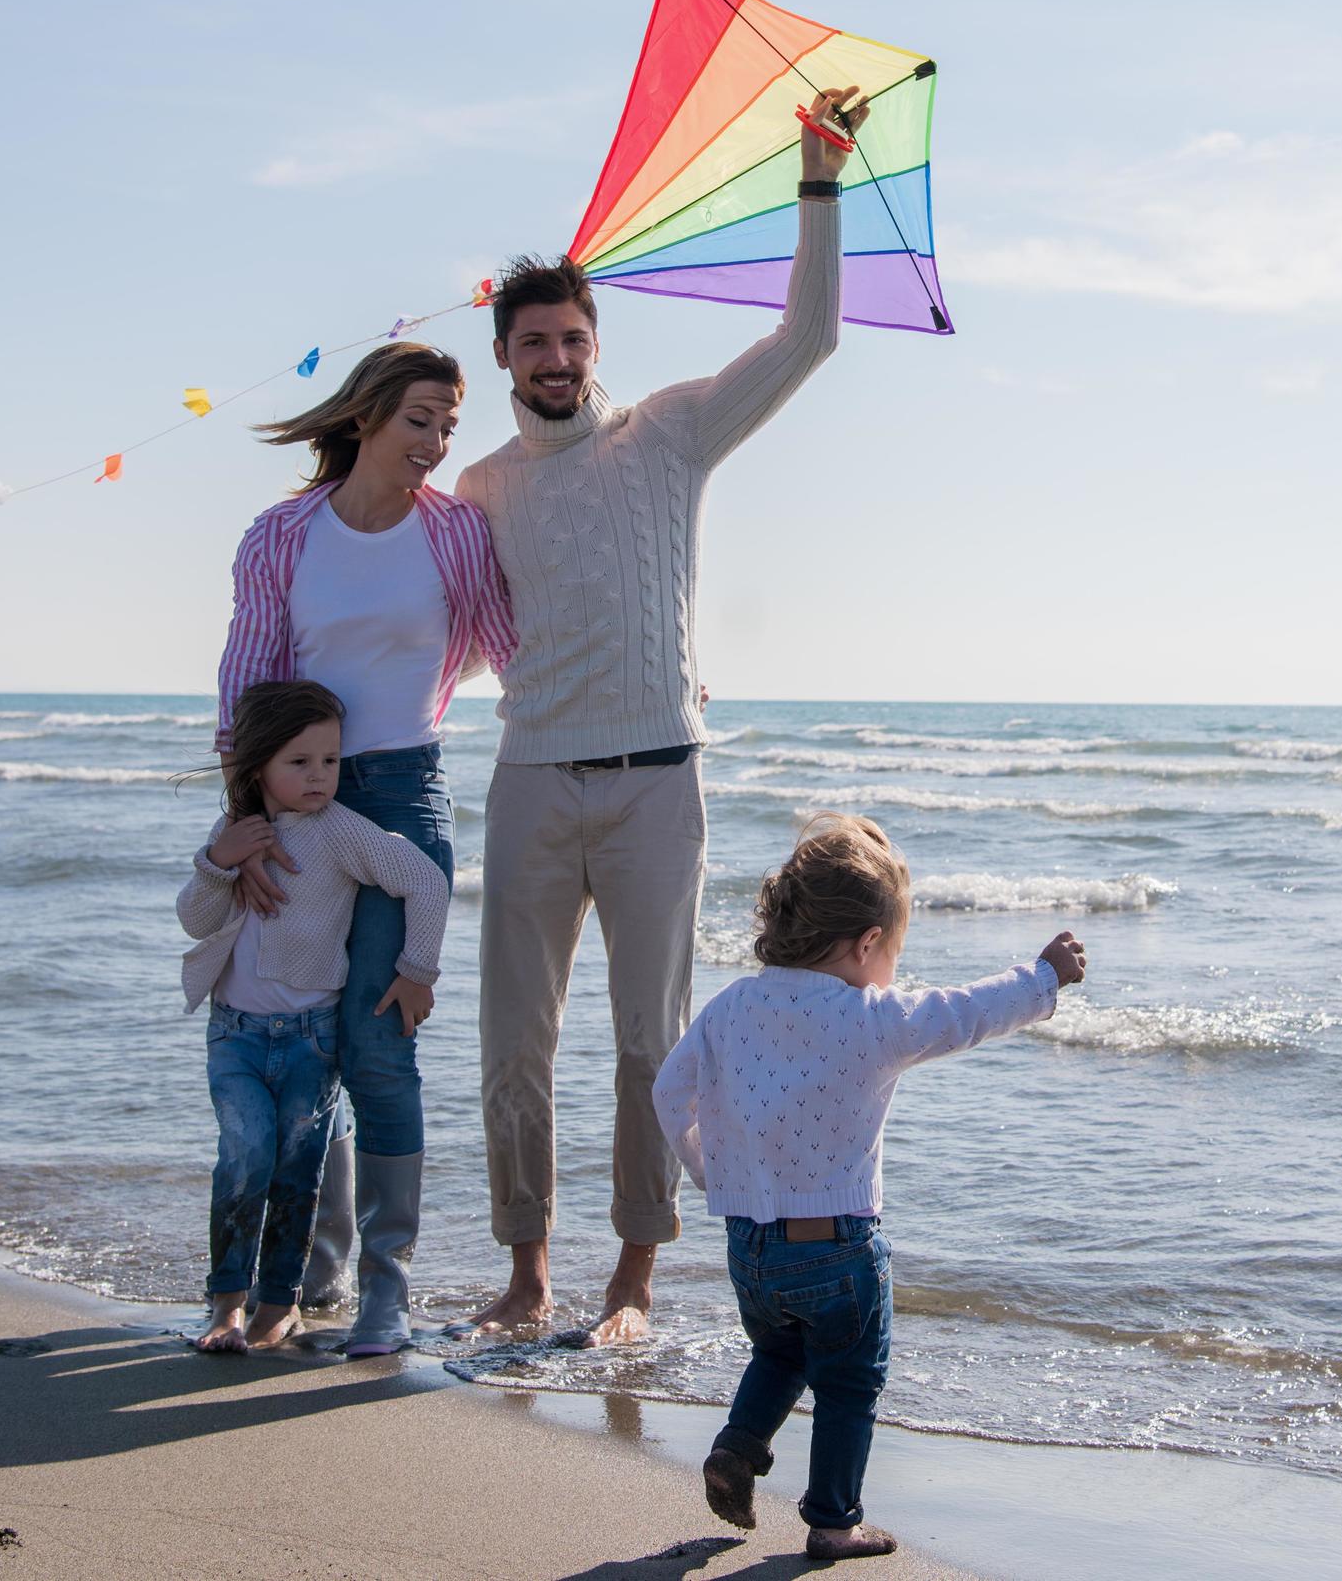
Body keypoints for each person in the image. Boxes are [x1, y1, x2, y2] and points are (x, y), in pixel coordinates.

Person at [451, 83, 869, 1344]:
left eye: (573, 339)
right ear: (507, 359)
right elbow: (424, 620)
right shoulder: (476, 488)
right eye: (534, 344)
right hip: (532, 780)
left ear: (595, 344)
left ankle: (631, 1282)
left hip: (655, 786)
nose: (557, 360)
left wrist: (817, 179)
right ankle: (527, 1276)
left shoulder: (672, 435)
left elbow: (808, 339)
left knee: (652, 1047)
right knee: (515, 1048)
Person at [652, 813, 1089, 1559]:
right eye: (892, 949)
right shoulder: (869, 1017)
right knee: (849, 1383)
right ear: (863, 945)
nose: (892, 967)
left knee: (780, 1355)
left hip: (748, 1245)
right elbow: (962, 1016)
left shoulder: (731, 1007)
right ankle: (832, 1520)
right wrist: (1042, 976)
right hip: (837, 1250)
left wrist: (709, 1173)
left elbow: (668, 1093)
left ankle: (737, 1444)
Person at [211, 342, 514, 1355]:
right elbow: (247, 691)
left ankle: (386, 1283)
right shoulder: (283, 536)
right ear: (368, 416)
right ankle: (308, 1272)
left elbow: (510, 646)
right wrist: (240, 821)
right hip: (299, 801)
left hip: (407, 798)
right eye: (420, 420)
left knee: (381, 1044)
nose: (434, 444)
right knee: (304, 1035)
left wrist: (647, 685)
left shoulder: (457, 532)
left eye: (447, 426)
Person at [178, 680, 452, 1354]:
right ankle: (225, 1304)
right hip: (235, 1035)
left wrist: (416, 969)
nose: (319, 776)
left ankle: (279, 1306)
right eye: (299, 762)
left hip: (311, 1039)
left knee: (297, 1170)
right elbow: (195, 920)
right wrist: (220, 863)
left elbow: (424, 880)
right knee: (245, 1156)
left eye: (329, 761)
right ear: (257, 766)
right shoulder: (235, 833)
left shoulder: (339, 832)